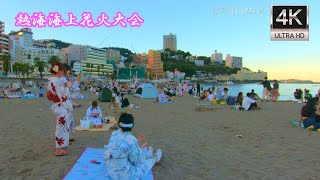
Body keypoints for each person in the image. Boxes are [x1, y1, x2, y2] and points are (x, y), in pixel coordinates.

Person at [104, 113, 162, 179]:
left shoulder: (114, 134)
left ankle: (148, 155)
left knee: (134, 154)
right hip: (123, 175)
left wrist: (135, 142)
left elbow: (121, 147)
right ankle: (154, 159)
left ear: (119, 123)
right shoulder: (131, 139)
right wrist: (139, 147)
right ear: (132, 125)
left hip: (111, 171)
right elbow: (136, 160)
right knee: (143, 165)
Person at [47, 62, 73, 156]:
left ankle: (60, 148)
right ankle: (59, 149)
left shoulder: (52, 80)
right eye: (62, 70)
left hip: (58, 105)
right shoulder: (56, 81)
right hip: (61, 106)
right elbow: (62, 96)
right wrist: (67, 87)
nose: (63, 73)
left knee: (61, 127)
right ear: (59, 71)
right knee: (61, 127)